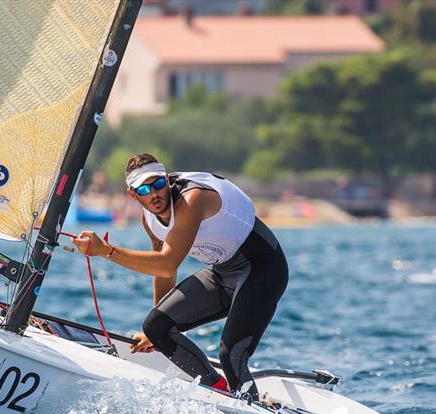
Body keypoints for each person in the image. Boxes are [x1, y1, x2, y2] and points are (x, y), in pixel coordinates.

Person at [72, 153, 288, 400]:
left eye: (158, 184)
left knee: (231, 354)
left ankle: (253, 410)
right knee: (156, 326)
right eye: (144, 189)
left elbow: (166, 264)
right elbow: (164, 272)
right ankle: (219, 391)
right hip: (222, 272)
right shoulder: (149, 219)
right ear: (133, 195)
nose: (154, 194)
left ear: (167, 180)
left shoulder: (192, 199)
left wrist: (106, 251)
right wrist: (158, 330)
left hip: (262, 268)